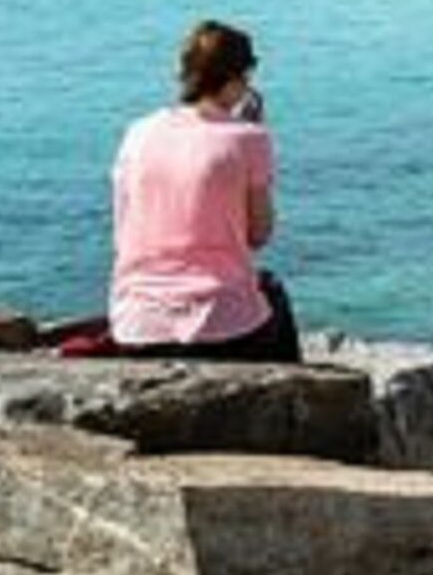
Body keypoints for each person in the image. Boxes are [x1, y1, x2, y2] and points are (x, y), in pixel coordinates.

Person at [109, 20, 298, 361]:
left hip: (137, 324)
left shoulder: (137, 133)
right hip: (220, 325)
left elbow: (123, 228)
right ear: (237, 78)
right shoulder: (249, 139)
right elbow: (259, 234)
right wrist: (252, 137)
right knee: (272, 292)